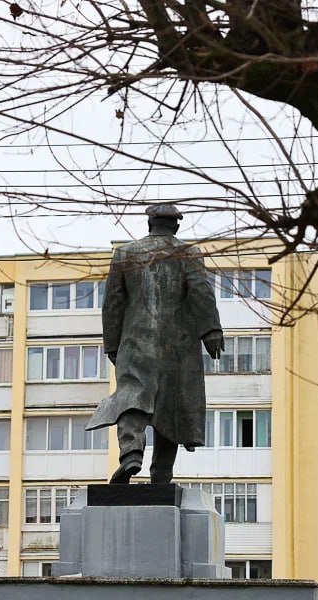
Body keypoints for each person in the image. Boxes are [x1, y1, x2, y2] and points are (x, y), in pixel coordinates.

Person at [86, 204, 224, 484]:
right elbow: (201, 292)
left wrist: (113, 345)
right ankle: (161, 472)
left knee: (131, 396)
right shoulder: (188, 253)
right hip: (179, 345)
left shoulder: (125, 253)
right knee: (170, 405)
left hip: (135, 341)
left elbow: (112, 304)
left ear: (149, 224)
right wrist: (211, 329)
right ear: (176, 227)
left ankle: (131, 452)